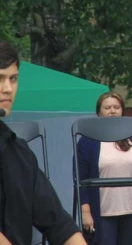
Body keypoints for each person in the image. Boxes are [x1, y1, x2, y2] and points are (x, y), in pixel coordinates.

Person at [0, 41, 86, 245]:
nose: (8, 88)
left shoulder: (20, 154)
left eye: (13, 79)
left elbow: (59, 225)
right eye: (0, 79)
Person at [76, 92, 132, 245]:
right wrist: (85, 212)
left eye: (116, 107)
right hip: (102, 214)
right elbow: (80, 180)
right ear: (98, 112)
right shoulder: (87, 141)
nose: (112, 111)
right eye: (107, 107)